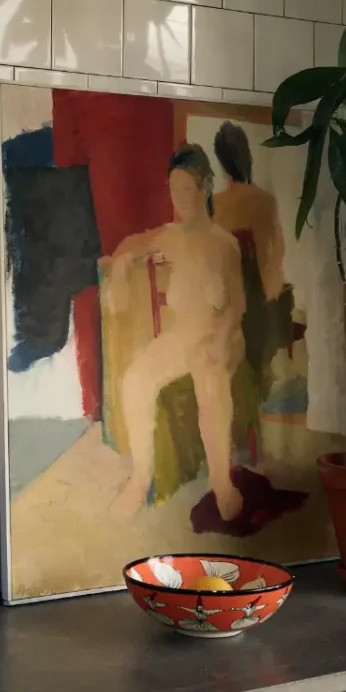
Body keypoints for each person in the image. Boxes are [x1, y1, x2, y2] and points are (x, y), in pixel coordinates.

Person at [108, 144, 246, 522]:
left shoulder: (225, 244)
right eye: (174, 189)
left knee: (210, 381)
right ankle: (140, 479)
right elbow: (129, 247)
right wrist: (121, 266)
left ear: (204, 187)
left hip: (221, 336)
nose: (181, 198)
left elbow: (238, 305)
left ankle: (221, 483)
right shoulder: (167, 236)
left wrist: (219, 340)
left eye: (188, 188)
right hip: (183, 336)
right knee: (135, 379)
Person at [212, 121, 285, 301]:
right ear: (248, 156)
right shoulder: (266, 201)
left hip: (227, 303)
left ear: (222, 163)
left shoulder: (214, 205)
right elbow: (277, 253)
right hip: (263, 302)